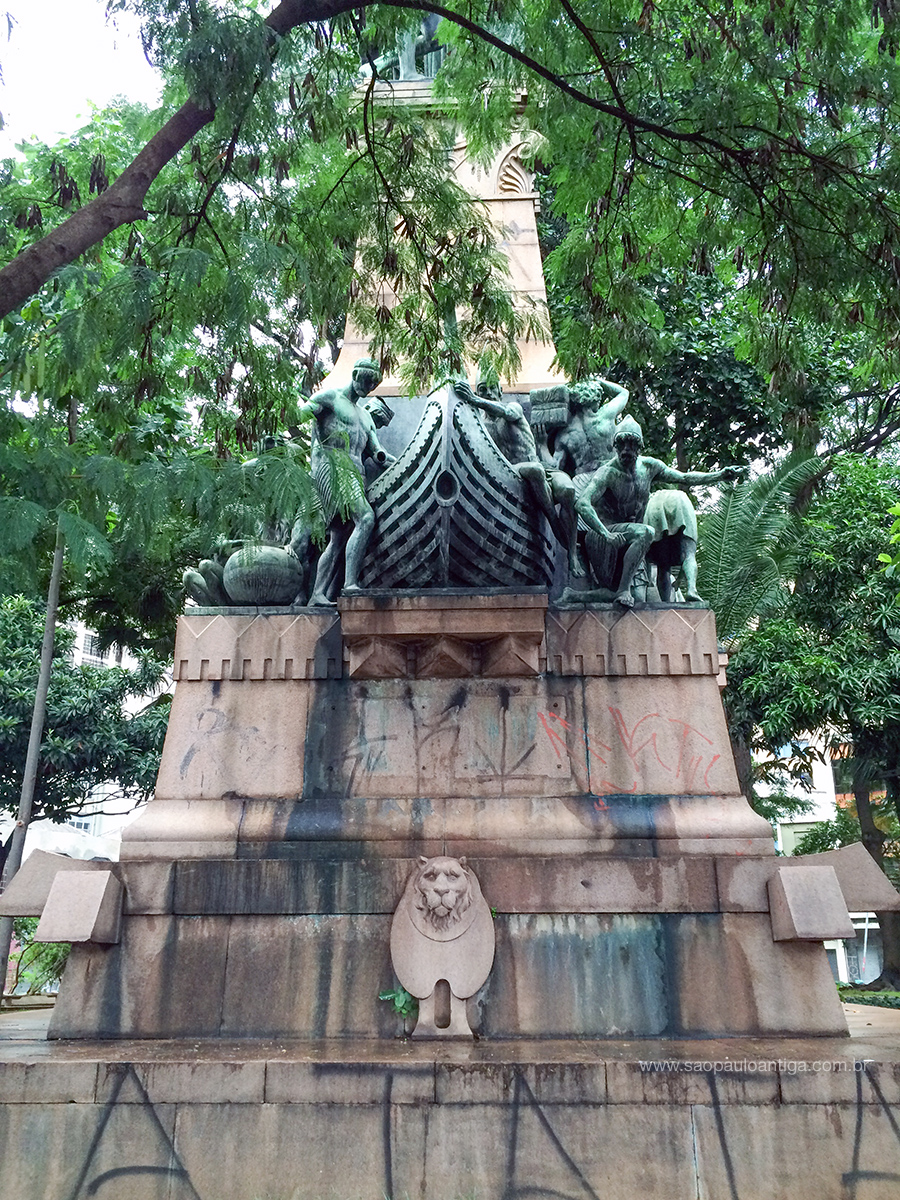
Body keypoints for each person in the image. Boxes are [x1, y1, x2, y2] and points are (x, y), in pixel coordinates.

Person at [576, 416, 743, 607]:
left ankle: (575, 596)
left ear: (639, 447)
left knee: (638, 599)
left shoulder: (649, 467)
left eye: (631, 445)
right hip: (606, 538)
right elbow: (582, 503)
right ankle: (622, 590)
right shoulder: (607, 473)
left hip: (632, 540)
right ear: (615, 446)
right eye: (621, 445)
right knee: (646, 532)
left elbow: (684, 478)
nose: (626, 450)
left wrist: (719, 475)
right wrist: (606, 534)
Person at [453, 374, 583, 577]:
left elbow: (507, 413)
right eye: (482, 389)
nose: (488, 392)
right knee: (534, 470)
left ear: (500, 391)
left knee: (567, 490)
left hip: (542, 467)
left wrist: (474, 399)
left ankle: (573, 554)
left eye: (492, 387)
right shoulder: (480, 426)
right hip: (513, 471)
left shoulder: (512, 407)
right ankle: (553, 522)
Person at [297, 358, 395, 606]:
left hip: (356, 475)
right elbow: (300, 415)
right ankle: (350, 584)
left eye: (373, 384)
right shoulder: (330, 398)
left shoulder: (366, 417)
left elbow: (379, 453)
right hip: (333, 470)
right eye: (366, 380)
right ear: (355, 374)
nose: (368, 386)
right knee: (366, 518)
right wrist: (304, 405)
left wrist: (408, 462)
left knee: (338, 539)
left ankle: (317, 594)